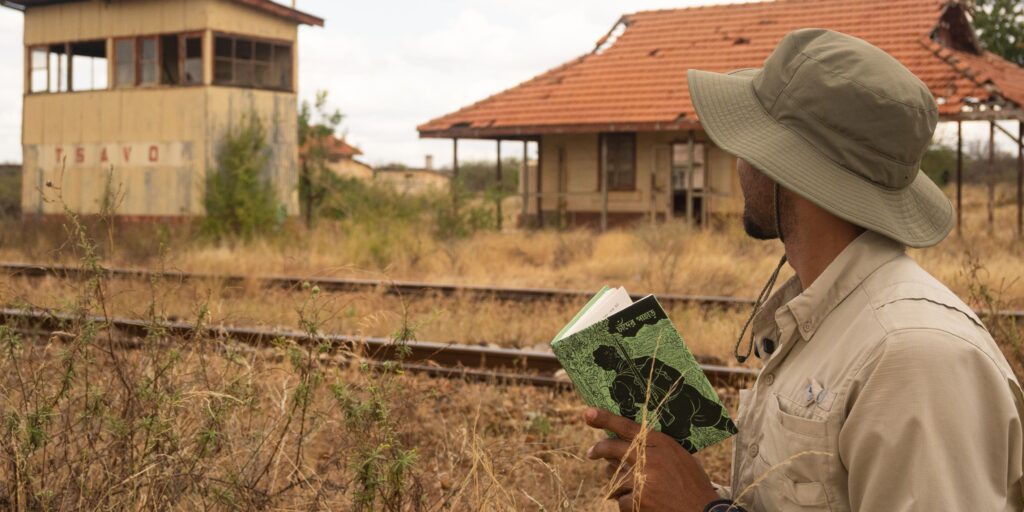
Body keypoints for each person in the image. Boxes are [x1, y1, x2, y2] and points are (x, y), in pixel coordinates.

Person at [582, 28, 1024, 512]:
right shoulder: (826, 318)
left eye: (749, 139)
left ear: (786, 167)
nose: (738, 161)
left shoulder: (913, 355)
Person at [592, 345, 737, 452]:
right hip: (688, 393)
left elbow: (629, 413)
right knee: (719, 420)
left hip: (671, 410)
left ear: (606, 364)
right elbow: (675, 374)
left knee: (680, 448)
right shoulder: (645, 360)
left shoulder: (619, 383)